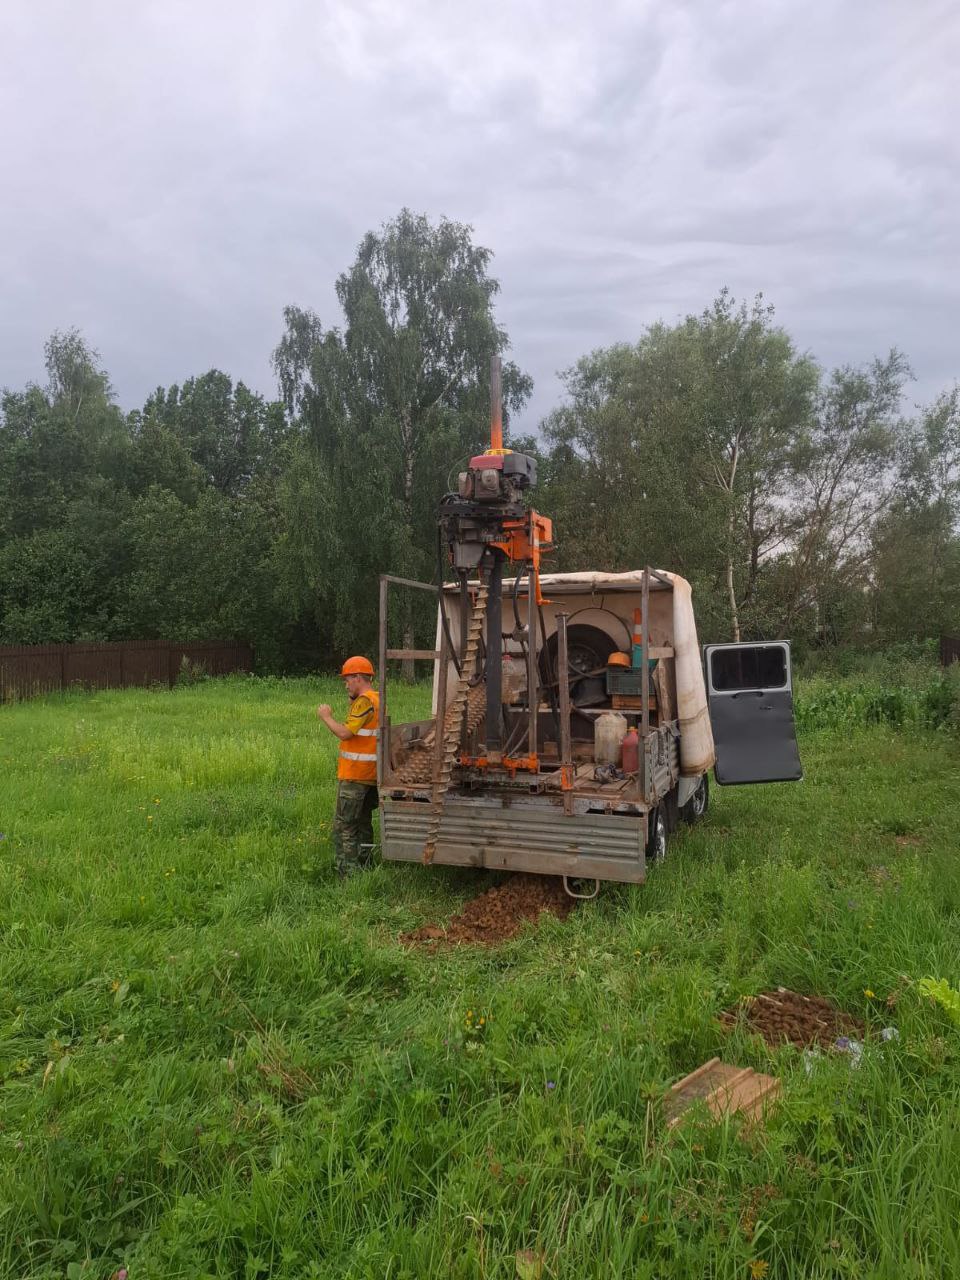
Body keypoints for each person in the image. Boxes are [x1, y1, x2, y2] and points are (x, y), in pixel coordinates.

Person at [317, 656, 380, 878]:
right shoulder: (377, 699)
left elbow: (345, 733)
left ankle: (348, 875)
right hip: (370, 774)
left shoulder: (364, 702)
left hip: (355, 776)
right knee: (363, 823)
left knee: (344, 827)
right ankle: (366, 865)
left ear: (358, 678)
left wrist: (326, 717)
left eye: (347, 679)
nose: (346, 684)